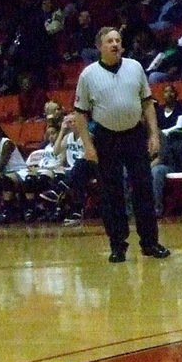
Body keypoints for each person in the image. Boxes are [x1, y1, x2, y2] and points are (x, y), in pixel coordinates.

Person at [73, 27, 170, 263]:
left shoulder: (135, 67)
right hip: (106, 138)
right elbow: (80, 114)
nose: (115, 44)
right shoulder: (88, 75)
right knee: (112, 194)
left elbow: (147, 104)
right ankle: (118, 245)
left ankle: (150, 243)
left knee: (143, 189)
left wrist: (154, 135)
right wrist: (88, 145)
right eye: (109, 41)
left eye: (118, 40)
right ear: (100, 47)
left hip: (135, 135)